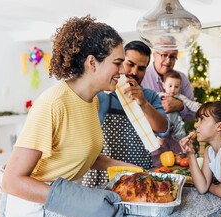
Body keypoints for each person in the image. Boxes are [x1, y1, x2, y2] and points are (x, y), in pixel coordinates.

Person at [0, 16, 141, 217]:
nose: (123, 70)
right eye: (117, 62)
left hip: (63, 201)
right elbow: (12, 181)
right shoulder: (53, 104)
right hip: (32, 208)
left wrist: (133, 170)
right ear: (92, 62)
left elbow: (85, 154)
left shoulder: (91, 101)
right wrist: (75, 199)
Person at [81, 40, 169, 187]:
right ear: (121, 63)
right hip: (105, 174)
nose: (135, 72)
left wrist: (143, 104)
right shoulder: (102, 94)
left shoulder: (150, 96)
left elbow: (162, 129)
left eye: (141, 68)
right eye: (130, 64)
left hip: (139, 173)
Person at [141, 38, 195, 167]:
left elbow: (192, 115)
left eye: (173, 57)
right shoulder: (142, 75)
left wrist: (180, 106)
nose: (168, 61)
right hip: (150, 153)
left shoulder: (182, 79)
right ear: (154, 55)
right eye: (164, 55)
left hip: (175, 152)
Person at [157, 70, 200, 146]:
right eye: (170, 86)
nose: (173, 89)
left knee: (180, 131)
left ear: (180, 86)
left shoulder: (180, 96)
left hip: (176, 120)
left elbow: (189, 103)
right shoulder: (160, 95)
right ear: (164, 85)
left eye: (176, 86)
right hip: (164, 119)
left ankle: (183, 143)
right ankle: (160, 141)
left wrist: (198, 107)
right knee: (162, 128)